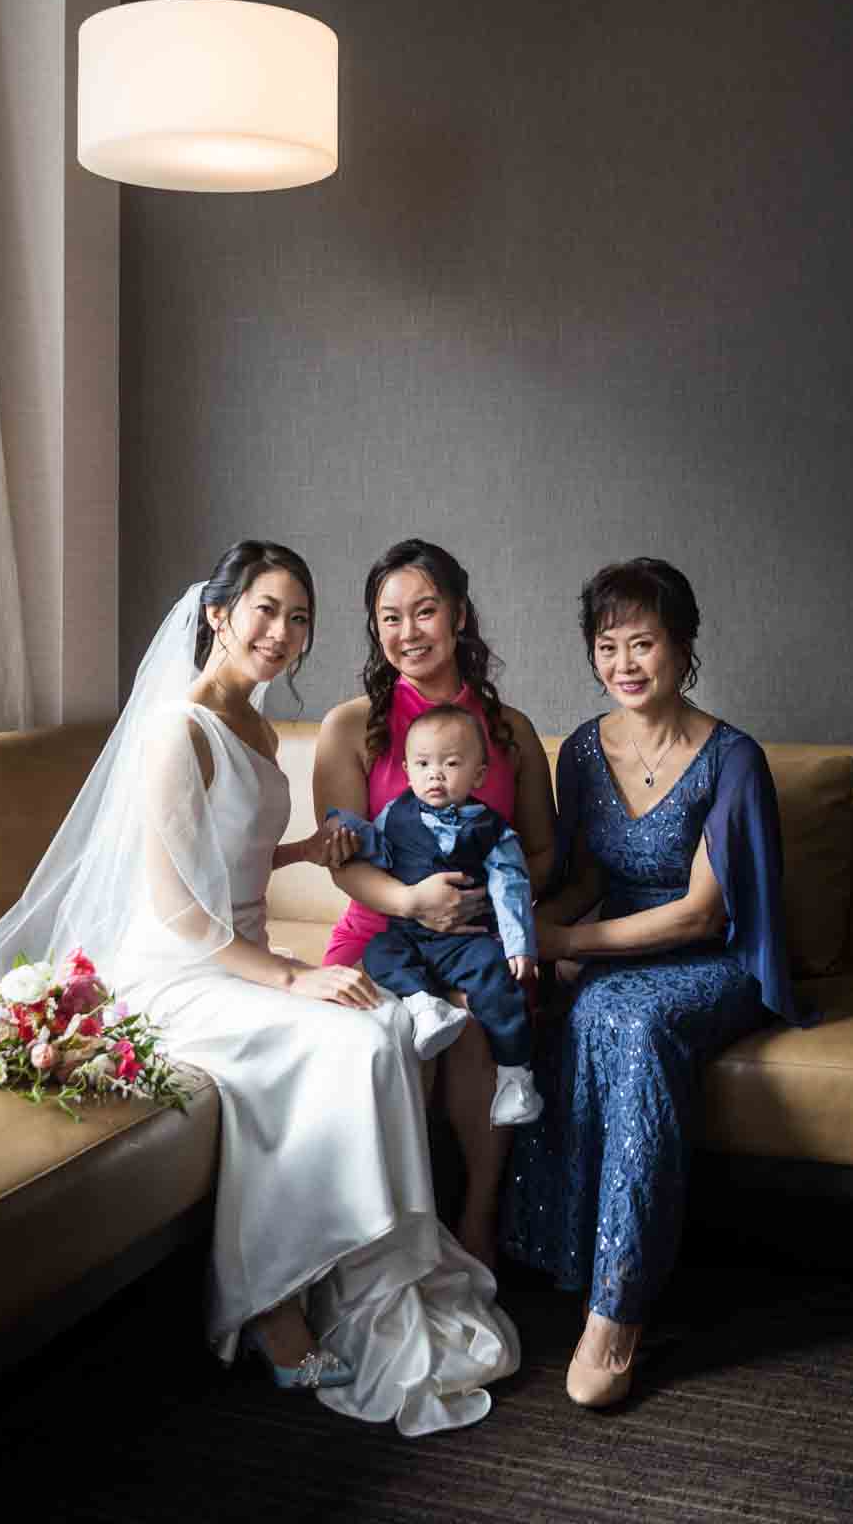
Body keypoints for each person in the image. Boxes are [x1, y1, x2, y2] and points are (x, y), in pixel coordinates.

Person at [0, 541, 518, 1435]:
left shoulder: (255, 728)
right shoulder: (177, 727)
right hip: (181, 973)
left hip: (238, 957)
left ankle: (344, 1281)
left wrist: (301, 855)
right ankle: (270, 1309)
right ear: (217, 615)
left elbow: (221, 852)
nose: (282, 633)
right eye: (266, 610)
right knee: (354, 1033)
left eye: (300, 618)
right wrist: (290, 974)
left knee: (388, 1024)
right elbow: (176, 908)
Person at [498, 557, 814, 1410]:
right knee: (582, 1005)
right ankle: (560, 1258)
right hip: (613, 947)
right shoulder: (581, 752)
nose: (624, 663)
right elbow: (582, 873)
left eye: (644, 642)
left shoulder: (733, 758)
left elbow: (701, 917)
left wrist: (570, 937)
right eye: (607, 645)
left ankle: (618, 1310)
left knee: (630, 1020)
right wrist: (525, 925)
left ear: (683, 649)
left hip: (714, 962)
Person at [313, 539, 557, 1265]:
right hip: (381, 930)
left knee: (479, 1021)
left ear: (458, 616)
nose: (407, 632)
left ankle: (479, 1218)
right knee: (396, 1033)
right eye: (389, 618)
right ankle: (394, 1238)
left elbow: (542, 850)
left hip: (478, 936)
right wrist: (413, 902)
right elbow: (343, 861)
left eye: (424, 611)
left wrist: (497, 903)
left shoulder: (507, 730)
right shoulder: (349, 727)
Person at [328, 703, 543, 1127]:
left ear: (478, 775)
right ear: (407, 771)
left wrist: (519, 943)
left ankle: (516, 1077)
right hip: (408, 934)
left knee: (496, 982)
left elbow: (510, 884)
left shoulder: (492, 828)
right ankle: (424, 1003)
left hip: (466, 939)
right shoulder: (396, 812)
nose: (435, 774)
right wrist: (345, 833)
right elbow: (380, 849)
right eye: (424, 764)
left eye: (451, 764)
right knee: (379, 953)